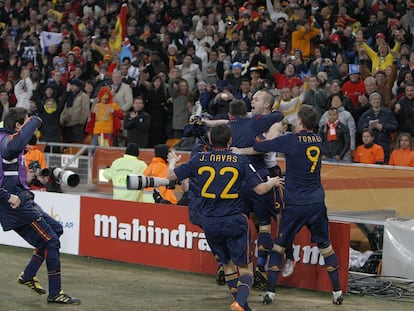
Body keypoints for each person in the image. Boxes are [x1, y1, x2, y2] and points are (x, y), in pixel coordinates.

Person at [167, 124, 284, 311]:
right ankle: (240, 302)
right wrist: (271, 182)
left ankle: (243, 306)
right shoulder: (239, 161)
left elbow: (171, 176)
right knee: (246, 269)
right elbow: (260, 189)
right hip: (234, 220)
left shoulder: (200, 159)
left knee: (227, 264)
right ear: (230, 140)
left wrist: (172, 161)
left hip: (209, 222)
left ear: (211, 140)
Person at [252, 105, 343, 306]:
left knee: (278, 247)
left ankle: (270, 293)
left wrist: (257, 130)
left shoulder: (290, 139)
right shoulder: (318, 140)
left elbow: (260, 146)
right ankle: (337, 292)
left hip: (295, 203)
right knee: (325, 247)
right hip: (316, 202)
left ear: (300, 121)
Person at [0, 107, 80, 304]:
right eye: (27, 124)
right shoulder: (6, 142)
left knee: (56, 230)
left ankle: (28, 275)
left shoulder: (9, 144)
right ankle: (55, 293)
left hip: (21, 199)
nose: (33, 130)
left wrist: (31, 177)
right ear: (18, 126)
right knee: (51, 241)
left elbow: (10, 174)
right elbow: (11, 149)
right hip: (13, 204)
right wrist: (36, 118)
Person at [357, 92, 398, 163]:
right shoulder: (366, 114)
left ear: (380, 101)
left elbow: (394, 126)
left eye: (377, 99)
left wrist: (382, 127)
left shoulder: (387, 113)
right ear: (370, 102)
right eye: (373, 99)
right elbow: (360, 128)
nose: (376, 101)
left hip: (384, 143)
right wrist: (368, 127)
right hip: (369, 146)